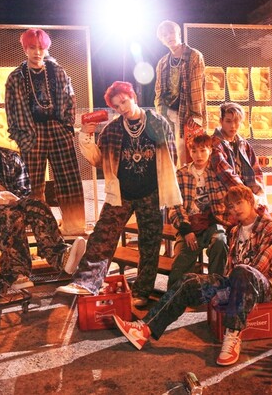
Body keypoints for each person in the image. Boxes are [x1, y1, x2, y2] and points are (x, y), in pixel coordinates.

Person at [113, 185, 272, 366]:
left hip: (265, 290)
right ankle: (145, 328)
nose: (235, 209)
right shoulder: (235, 231)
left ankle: (232, 336)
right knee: (190, 281)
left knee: (243, 271)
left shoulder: (269, 227)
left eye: (239, 203)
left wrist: (226, 287)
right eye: (231, 207)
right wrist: (216, 288)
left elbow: (259, 267)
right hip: (237, 285)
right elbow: (230, 270)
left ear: (250, 201)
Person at [56, 81, 182, 308]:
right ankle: (86, 282)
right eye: (117, 105)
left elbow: (171, 158)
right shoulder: (112, 129)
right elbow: (97, 161)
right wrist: (86, 136)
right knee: (102, 236)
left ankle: (142, 291)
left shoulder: (157, 122)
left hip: (151, 193)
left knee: (150, 243)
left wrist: (169, 194)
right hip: (121, 193)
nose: (122, 108)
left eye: (124, 101)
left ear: (133, 97)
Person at [0, 117, 86, 290]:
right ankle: (17, 274)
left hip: (14, 209)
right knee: (10, 215)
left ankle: (60, 257)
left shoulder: (11, 158)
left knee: (37, 205)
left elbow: (23, 193)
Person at [5, 28, 85, 236]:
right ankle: (39, 229)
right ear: (25, 49)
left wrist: (66, 126)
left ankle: (74, 226)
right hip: (31, 130)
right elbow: (10, 110)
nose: (37, 52)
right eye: (32, 47)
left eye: (41, 47)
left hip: (57, 127)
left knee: (68, 180)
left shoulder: (57, 71)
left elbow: (70, 98)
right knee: (32, 184)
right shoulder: (15, 77)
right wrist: (21, 136)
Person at [167, 133, 230, 289]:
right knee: (181, 261)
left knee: (220, 242)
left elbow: (226, 200)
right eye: (194, 151)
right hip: (188, 224)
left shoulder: (217, 173)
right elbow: (175, 205)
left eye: (203, 150)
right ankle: (176, 294)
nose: (198, 155)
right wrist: (186, 230)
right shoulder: (181, 174)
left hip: (212, 223)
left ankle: (215, 287)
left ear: (210, 150)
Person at [155, 20, 206, 165]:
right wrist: (160, 111)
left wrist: (196, 115)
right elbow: (158, 90)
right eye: (164, 35)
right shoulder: (162, 62)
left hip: (186, 112)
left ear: (178, 33)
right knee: (169, 155)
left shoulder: (194, 56)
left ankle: (185, 180)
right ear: (162, 40)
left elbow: (196, 87)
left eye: (171, 32)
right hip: (167, 113)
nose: (169, 37)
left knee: (186, 155)